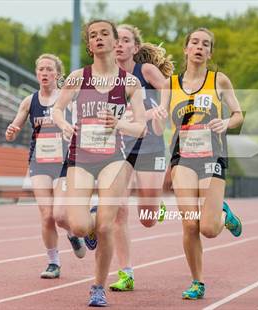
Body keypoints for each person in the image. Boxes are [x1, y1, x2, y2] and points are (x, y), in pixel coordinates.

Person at [53, 20, 146, 307]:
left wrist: (120, 123)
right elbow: (57, 109)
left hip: (112, 160)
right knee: (80, 227)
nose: (99, 38)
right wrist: (64, 125)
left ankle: (97, 287)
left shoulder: (129, 82)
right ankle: (88, 223)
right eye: (93, 35)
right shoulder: (78, 77)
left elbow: (141, 126)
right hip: (80, 157)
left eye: (105, 33)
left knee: (106, 227)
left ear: (116, 40)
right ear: (89, 44)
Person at [152, 27, 243, 300]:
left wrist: (226, 121)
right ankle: (197, 282)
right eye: (195, 42)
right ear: (186, 48)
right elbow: (162, 123)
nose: (199, 47)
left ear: (210, 52)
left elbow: (238, 114)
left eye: (205, 44)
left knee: (209, 229)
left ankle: (223, 215)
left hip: (212, 156)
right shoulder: (172, 84)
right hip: (183, 158)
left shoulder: (219, 80)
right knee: (190, 224)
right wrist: (155, 119)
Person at [5, 54, 87, 279]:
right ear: (36, 73)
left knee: (60, 215)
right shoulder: (29, 101)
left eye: (49, 69)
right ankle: (53, 262)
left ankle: (72, 233)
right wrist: (11, 131)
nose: (44, 73)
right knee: (46, 215)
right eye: (40, 69)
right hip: (39, 162)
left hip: (64, 162)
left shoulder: (67, 99)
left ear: (57, 75)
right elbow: (14, 129)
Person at [109, 24, 174, 292]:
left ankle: (156, 206)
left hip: (150, 146)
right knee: (118, 212)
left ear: (135, 48)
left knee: (146, 218)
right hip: (120, 148)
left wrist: (161, 107)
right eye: (117, 40)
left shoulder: (145, 70)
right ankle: (126, 273)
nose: (120, 45)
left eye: (126, 41)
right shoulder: (105, 76)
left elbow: (169, 84)